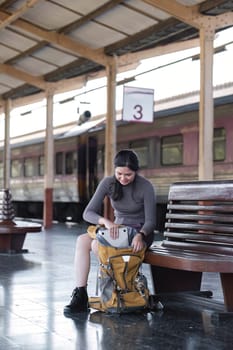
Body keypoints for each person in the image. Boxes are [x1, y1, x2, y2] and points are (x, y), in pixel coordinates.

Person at [64, 149, 156, 315]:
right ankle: (80, 294)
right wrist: (105, 221)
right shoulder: (108, 183)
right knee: (82, 241)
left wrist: (140, 235)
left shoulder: (145, 186)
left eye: (128, 174)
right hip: (117, 230)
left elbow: (151, 221)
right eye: (119, 173)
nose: (123, 178)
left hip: (139, 233)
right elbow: (88, 212)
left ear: (136, 171)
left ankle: (114, 291)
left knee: (95, 244)